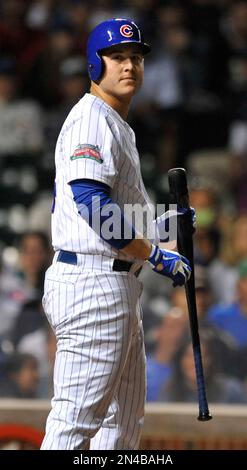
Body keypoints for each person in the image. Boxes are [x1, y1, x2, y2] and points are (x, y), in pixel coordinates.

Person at [41, 18, 192, 451]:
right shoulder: (91, 119)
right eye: (117, 56)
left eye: (136, 57)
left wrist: (170, 222)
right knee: (72, 425)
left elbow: (125, 216)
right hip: (92, 282)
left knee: (122, 428)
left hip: (115, 282)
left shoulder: (114, 121)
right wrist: (158, 257)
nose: (129, 65)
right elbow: (93, 206)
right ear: (94, 64)